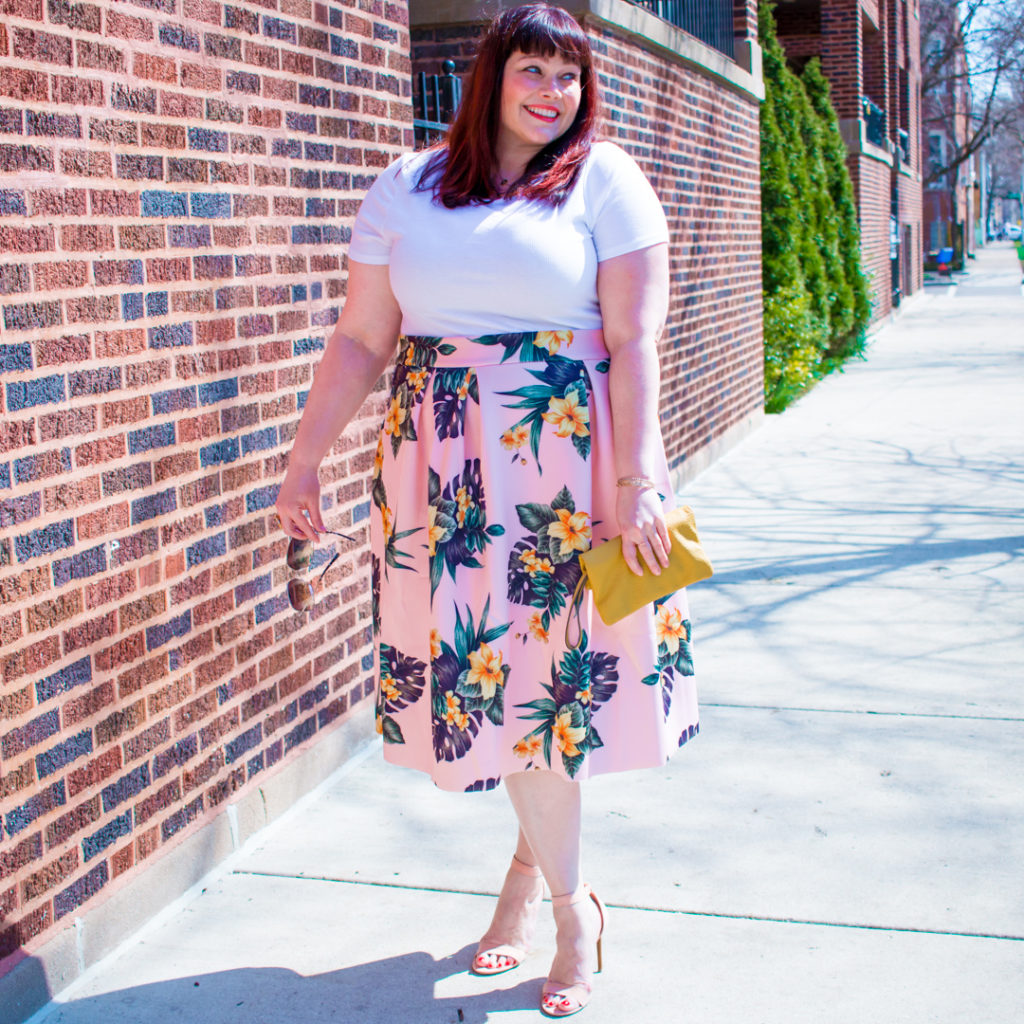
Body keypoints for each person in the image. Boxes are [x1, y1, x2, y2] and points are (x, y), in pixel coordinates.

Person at [275, 4, 699, 1016]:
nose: (553, 92)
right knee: (492, 685)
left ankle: (568, 909)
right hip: (440, 471)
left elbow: (635, 339)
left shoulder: (606, 178)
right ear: (490, 74)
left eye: (569, 75)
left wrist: (639, 479)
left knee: (543, 693)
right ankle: (529, 887)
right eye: (533, 69)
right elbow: (359, 340)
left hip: (571, 466)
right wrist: (302, 463)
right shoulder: (405, 187)